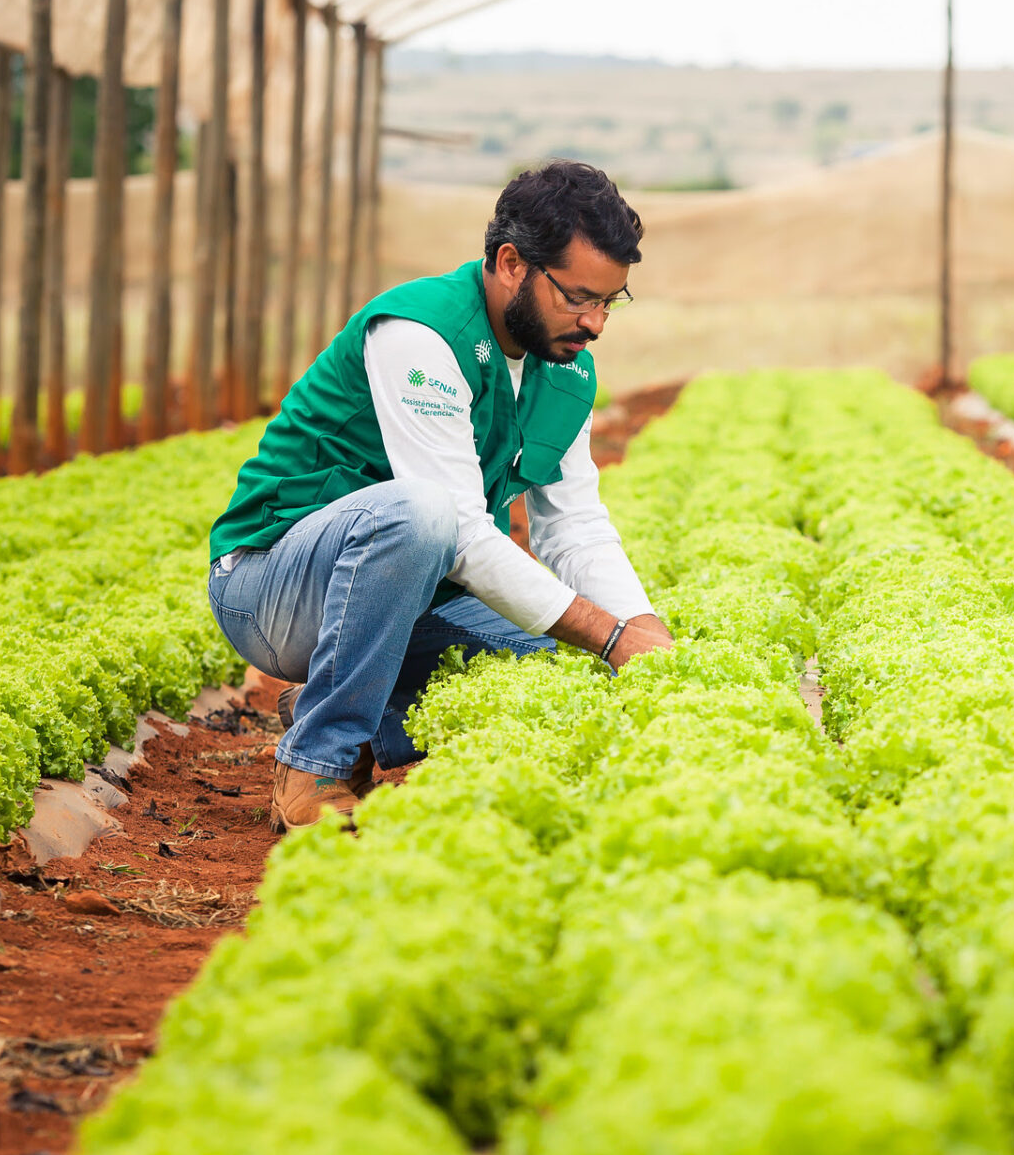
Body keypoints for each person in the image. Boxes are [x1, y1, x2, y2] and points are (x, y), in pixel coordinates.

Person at [206, 160, 672, 831]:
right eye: (578, 297)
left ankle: (357, 716)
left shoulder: (564, 368)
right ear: (512, 263)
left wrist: (642, 635)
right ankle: (318, 760)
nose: (595, 322)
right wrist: (608, 636)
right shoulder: (420, 334)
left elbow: (574, 528)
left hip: (407, 599)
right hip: (272, 587)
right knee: (421, 513)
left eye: (610, 301)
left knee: (560, 673)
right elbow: (457, 532)